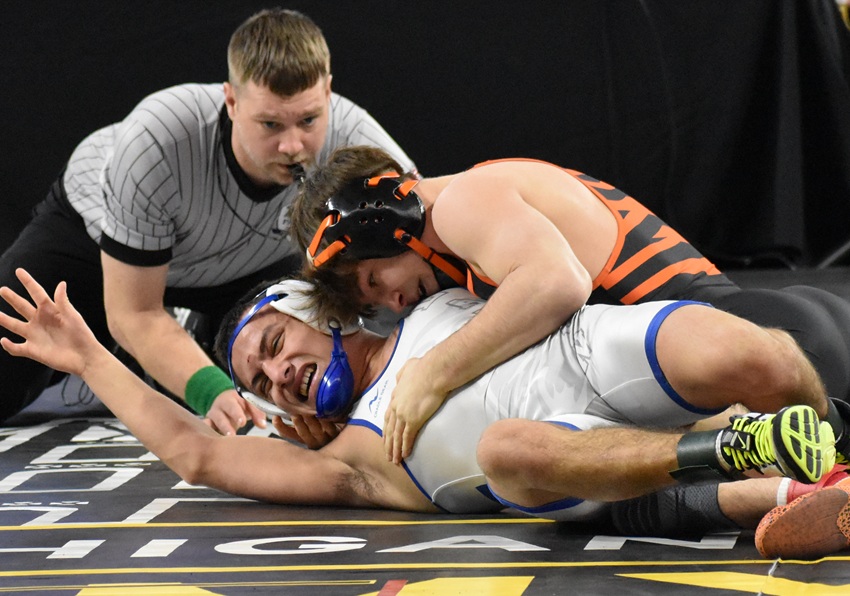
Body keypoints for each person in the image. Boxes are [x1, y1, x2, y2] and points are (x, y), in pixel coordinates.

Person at [0, 268, 843, 560]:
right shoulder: (355, 462)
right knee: (505, 445)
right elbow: (199, 455)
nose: (278, 370)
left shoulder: (415, 295)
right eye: (259, 375)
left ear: (317, 309)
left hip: (589, 349)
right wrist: (88, 359)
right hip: (567, 457)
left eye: (275, 340)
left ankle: (826, 464)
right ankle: (746, 452)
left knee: (760, 354)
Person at [289, 145, 850, 463]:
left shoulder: (461, 204)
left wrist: (432, 372)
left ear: (382, 219)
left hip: (772, 352)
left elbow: (556, 284)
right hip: (763, 345)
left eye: (373, 278)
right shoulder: (463, 245)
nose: (394, 301)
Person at [0, 10, 416, 435]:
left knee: (281, 372)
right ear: (231, 102)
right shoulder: (160, 137)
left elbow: (432, 241)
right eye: (270, 124)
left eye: (309, 120)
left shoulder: (355, 138)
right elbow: (134, 313)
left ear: (328, 93)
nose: (293, 146)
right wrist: (211, 393)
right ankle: (151, 354)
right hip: (104, 251)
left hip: (249, 271)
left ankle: (182, 345)